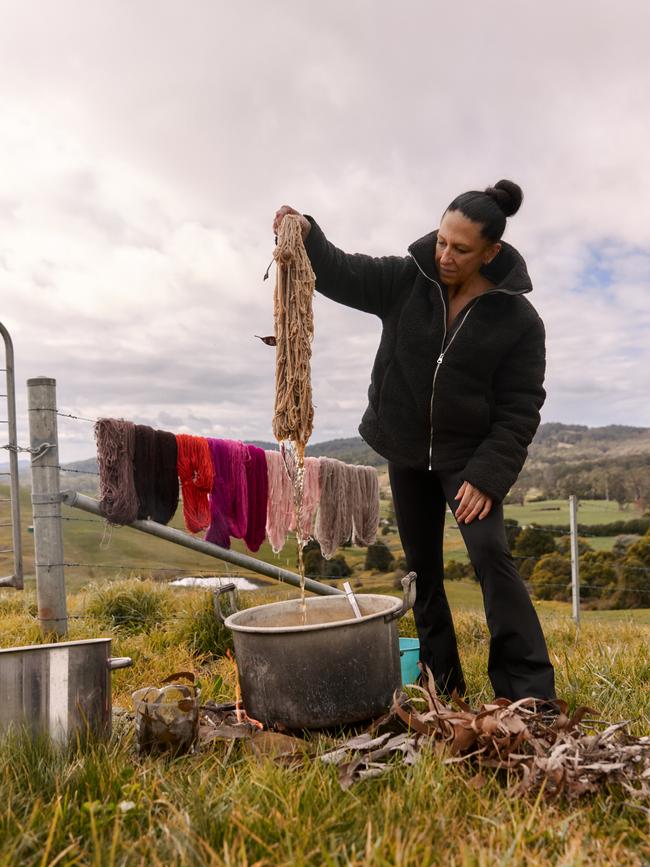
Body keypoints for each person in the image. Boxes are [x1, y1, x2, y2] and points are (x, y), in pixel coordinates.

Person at [272, 180, 556, 702]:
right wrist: (308, 233)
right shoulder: (409, 278)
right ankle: (440, 686)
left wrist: (488, 475)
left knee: (492, 558)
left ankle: (526, 693)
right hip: (406, 453)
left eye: (461, 249)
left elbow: (521, 408)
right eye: (442, 240)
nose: (444, 255)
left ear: (491, 252)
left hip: (469, 459)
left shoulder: (517, 319)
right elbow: (341, 271)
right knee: (422, 571)